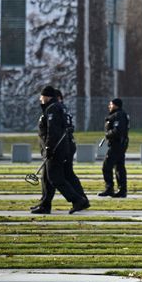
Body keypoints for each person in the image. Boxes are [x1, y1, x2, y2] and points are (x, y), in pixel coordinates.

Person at [32, 85, 88, 215]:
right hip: (59, 147)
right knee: (46, 177)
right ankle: (45, 205)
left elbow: (54, 132)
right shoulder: (60, 107)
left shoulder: (53, 109)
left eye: (42, 96)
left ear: (47, 97)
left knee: (55, 177)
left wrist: (49, 148)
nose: (40, 99)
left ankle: (77, 199)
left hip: (55, 148)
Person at [54, 88, 88, 202]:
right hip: (68, 143)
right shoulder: (63, 109)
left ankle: (80, 199)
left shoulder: (57, 109)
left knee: (60, 175)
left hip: (64, 144)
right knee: (67, 174)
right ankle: (81, 197)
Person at [99, 97, 129, 198]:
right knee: (119, 167)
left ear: (116, 105)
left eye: (111, 104)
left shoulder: (118, 115)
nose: (109, 106)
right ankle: (122, 190)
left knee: (106, 166)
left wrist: (108, 135)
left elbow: (117, 130)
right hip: (119, 144)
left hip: (117, 144)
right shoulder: (119, 114)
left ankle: (109, 188)